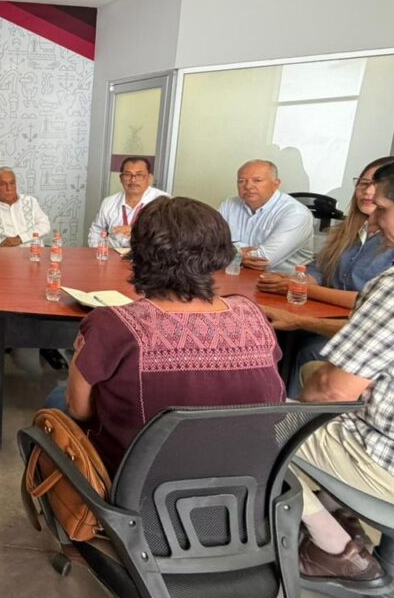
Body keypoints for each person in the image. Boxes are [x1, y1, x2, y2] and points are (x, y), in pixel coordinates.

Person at [56, 196, 284, 475]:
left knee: (56, 400)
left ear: (139, 254)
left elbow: (79, 410)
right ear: (220, 254)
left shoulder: (111, 324)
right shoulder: (252, 314)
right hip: (245, 482)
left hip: (136, 485)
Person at [292, 156, 394, 583]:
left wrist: (299, 393)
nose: (375, 219)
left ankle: (335, 549)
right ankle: (339, 514)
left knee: (248, 424)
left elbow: (333, 390)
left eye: (382, 208)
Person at [257, 156, 394, 395]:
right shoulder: (348, 230)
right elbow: (318, 267)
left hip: (360, 329)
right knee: (273, 335)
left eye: (378, 185)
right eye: (364, 183)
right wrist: (295, 282)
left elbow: (365, 299)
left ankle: (293, 414)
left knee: (310, 349)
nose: (368, 191)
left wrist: (308, 290)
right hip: (322, 316)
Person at [219, 159, 314, 273]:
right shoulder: (229, 204)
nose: (248, 186)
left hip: (281, 280)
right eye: (241, 181)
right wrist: (237, 254)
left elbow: (263, 260)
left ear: (276, 184)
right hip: (235, 274)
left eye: (257, 180)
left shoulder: (296, 214)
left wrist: (229, 251)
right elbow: (206, 242)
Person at [87, 157, 168, 249]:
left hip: (148, 255)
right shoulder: (109, 202)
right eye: (127, 175)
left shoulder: (164, 202)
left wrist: (136, 232)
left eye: (139, 175)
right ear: (121, 178)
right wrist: (100, 252)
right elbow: (96, 231)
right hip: (112, 254)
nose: (133, 180)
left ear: (149, 178)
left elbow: (170, 236)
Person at [0, 167, 50, 248]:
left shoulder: (31, 202)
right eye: (3, 184)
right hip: (3, 254)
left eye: (12, 183)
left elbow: (44, 225)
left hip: (33, 252)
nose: (9, 188)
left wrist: (20, 238)